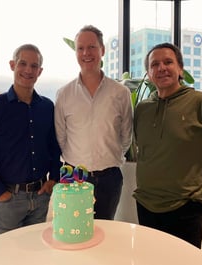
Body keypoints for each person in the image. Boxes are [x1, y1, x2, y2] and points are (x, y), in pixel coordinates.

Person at [133, 42, 202, 248]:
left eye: (168, 62)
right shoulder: (142, 110)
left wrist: (195, 183)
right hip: (146, 203)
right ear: (149, 73)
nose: (161, 68)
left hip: (185, 207)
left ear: (180, 69)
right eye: (154, 64)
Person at [0, 44, 62, 236]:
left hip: (40, 196)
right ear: (13, 65)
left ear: (40, 71)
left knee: (35, 251)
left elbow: (53, 147)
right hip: (9, 199)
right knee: (4, 256)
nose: (28, 70)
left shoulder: (47, 107)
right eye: (23, 63)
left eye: (34, 66)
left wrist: (53, 178)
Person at [54, 25, 133, 220]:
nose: (86, 53)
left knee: (105, 231)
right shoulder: (64, 94)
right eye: (80, 48)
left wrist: (108, 157)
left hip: (110, 178)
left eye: (92, 47)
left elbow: (126, 136)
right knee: (74, 231)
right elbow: (61, 137)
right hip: (74, 177)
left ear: (102, 50)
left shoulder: (120, 93)